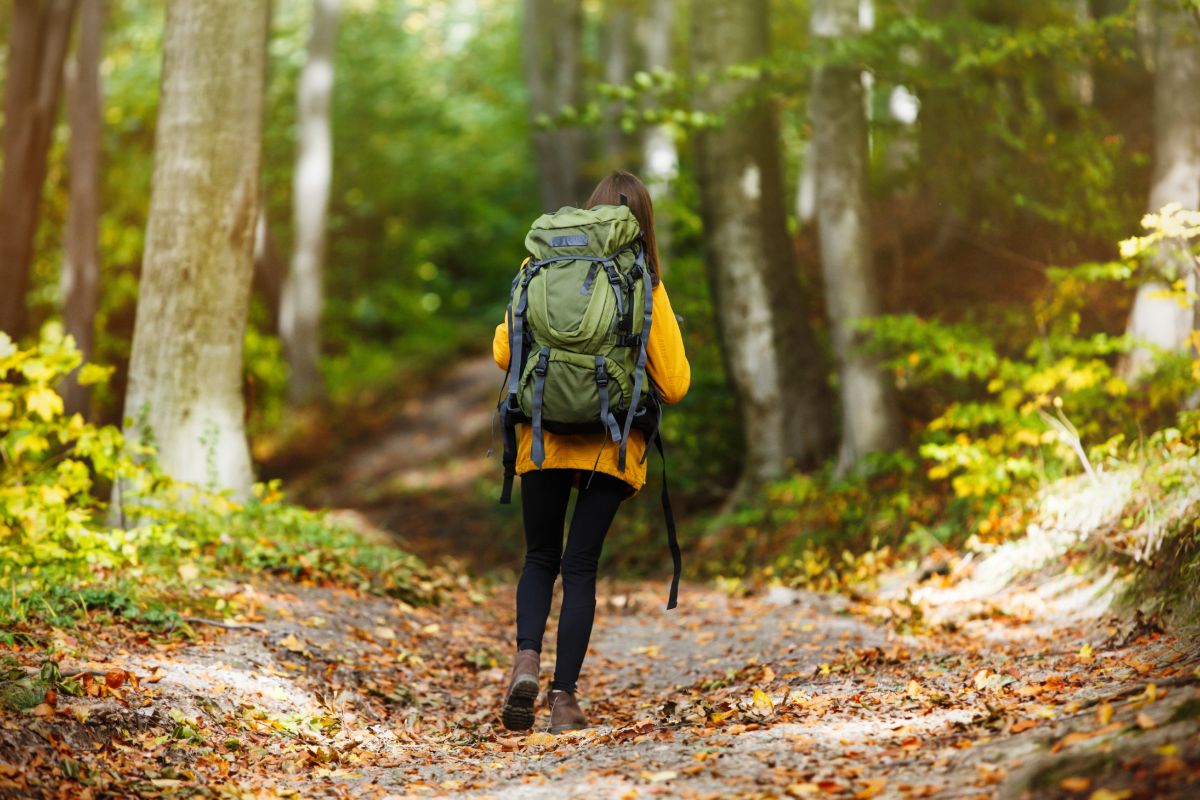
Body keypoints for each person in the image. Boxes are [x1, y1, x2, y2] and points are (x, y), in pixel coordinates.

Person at [491, 170, 690, 733]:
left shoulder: (540, 266)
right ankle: (563, 700)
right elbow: (674, 385)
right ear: (643, 222)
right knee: (580, 567)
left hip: (542, 434)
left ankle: (526, 659)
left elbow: (505, 351)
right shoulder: (643, 282)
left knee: (539, 558)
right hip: (612, 443)